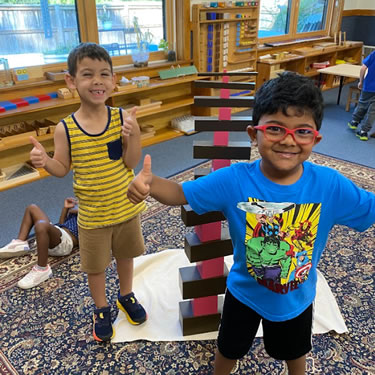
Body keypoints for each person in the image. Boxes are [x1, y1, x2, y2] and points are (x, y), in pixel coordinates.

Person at [127, 71, 375, 375]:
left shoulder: (330, 185)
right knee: (228, 347)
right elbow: (179, 193)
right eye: (275, 128)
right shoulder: (234, 179)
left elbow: (369, 209)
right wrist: (149, 183)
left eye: (303, 131)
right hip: (244, 292)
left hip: (296, 299)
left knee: (295, 351)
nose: (288, 140)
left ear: (316, 137)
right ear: (253, 134)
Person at [29, 42, 147, 342]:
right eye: (87, 74)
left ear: (113, 80)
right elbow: (62, 168)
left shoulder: (122, 118)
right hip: (92, 215)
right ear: (71, 81)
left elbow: (131, 162)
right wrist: (46, 163)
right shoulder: (65, 128)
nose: (97, 81)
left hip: (125, 208)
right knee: (95, 266)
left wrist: (133, 136)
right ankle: (101, 307)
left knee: (125, 256)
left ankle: (126, 295)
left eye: (104, 74)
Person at [0, 198, 78, 289]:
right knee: (32, 208)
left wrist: (82, 213)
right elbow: (62, 224)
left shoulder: (93, 218)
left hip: (66, 243)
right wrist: (65, 209)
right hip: (58, 234)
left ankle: (42, 269)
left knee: (41, 225)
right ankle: (20, 242)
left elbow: (88, 240)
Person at [347, 50, 375, 141]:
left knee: (362, 103)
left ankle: (354, 122)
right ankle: (364, 132)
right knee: (372, 111)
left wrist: (361, 81)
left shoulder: (373, 54)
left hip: (368, 86)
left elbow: (363, 68)